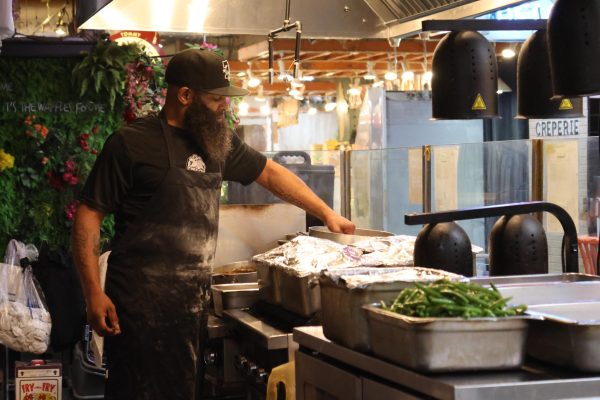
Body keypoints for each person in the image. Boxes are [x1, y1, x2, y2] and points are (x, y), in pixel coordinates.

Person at [71, 48, 355, 400]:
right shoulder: (131, 144)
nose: (226, 107)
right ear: (185, 95)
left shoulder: (216, 142)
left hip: (192, 308)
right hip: (138, 311)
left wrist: (327, 213)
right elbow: (88, 217)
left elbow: (269, 172)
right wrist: (93, 294)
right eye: (217, 98)